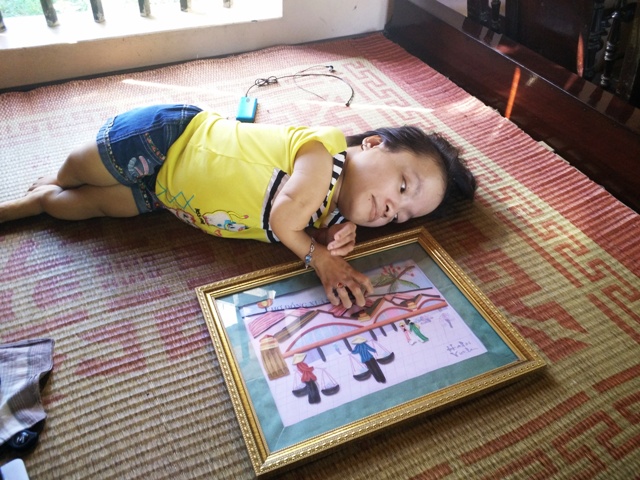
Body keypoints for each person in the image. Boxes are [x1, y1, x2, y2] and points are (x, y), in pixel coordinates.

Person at [0, 104, 476, 308]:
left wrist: (329, 233)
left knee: (79, 207)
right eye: (402, 186)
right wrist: (322, 258)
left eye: (404, 215)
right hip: (167, 137)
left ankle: (33, 203)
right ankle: (52, 179)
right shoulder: (324, 150)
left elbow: (302, 218)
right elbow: (284, 218)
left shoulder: (332, 211)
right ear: (372, 144)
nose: (392, 210)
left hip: (170, 197)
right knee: (77, 169)